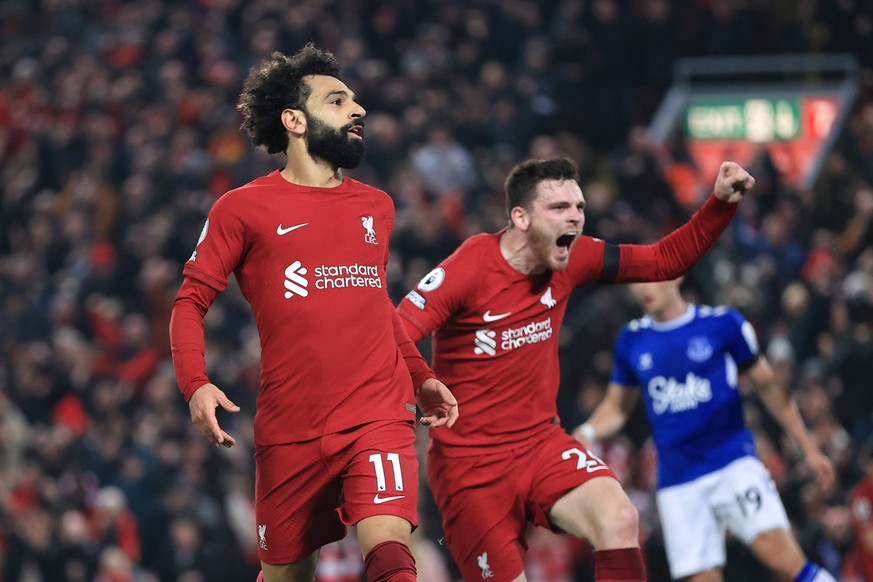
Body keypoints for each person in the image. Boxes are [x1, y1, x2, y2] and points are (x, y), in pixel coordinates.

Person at [168, 43, 459, 582]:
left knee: (392, 554)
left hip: (377, 414)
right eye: (338, 100)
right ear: (294, 120)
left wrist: (419, 377)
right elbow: (189, 302)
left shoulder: (377, 206)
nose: (359, 110)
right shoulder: (241, 209)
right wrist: (195, 383)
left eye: (355, 101)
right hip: (290, 429)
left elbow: (375, 306)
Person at [397, 155, 755, 582]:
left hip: (540, 444)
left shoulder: (574, 257)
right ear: (521, 217)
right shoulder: (471, 266)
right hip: (468, 469)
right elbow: (397, 332)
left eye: (579, 207)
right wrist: (424, 384)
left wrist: (719, 204)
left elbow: (662, 261)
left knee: (619, 517)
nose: (575, 218)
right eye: (559, 208)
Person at [577, 277, 836, 581]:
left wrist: (807, 448)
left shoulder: (722, 325)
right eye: (636, 280)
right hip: (678, 482)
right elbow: (617, 407)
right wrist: (587, 432)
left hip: (731, 463)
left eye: (652, 277)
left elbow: (770, 387)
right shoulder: (632, 339)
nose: (643, 288)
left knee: (784, 560)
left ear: (677, 274)